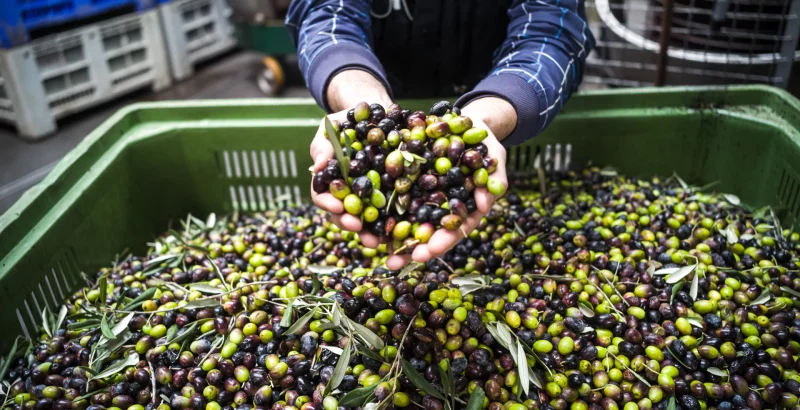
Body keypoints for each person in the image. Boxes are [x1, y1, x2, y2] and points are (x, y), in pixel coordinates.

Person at [286, 0, 595, 270]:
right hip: (381, 83)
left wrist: (491, 112)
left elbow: (552, 30)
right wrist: (360, 98)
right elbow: (326, 14)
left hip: (503, 108)